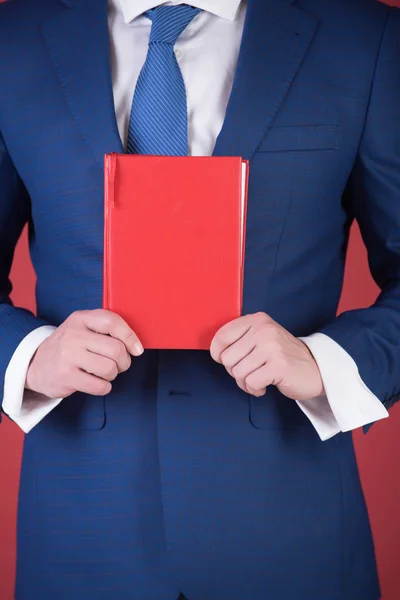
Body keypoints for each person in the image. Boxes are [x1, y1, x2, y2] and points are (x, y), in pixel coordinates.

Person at [0, 0, 399, 598]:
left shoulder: (365, 39)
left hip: (292, 539)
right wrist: (28, 357)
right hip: (79, 539)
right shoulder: (12, 40)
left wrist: (326, 364)